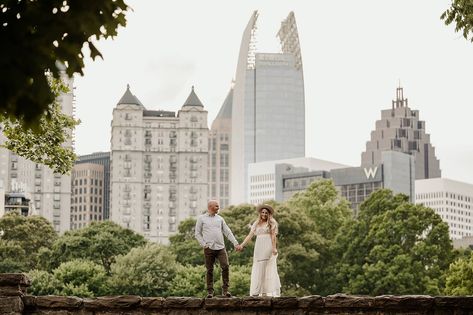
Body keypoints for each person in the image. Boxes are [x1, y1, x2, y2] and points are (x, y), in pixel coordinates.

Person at [195, 200, 242, 298]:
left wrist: (235, 243)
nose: (218, 208)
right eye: (216, 206)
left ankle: (225, 290)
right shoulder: (201, 219)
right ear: (210, 207)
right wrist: (204, 244)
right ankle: (210, 292)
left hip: (221, 247)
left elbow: (227, 232)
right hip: (209, 248)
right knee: (209, 270)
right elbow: (197, 234)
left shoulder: (220, 219)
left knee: (225, 266)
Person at [240, 204, 281, 297]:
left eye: (266, 213)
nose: (264, 214)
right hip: (258, 246)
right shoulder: (256, 223)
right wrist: (242, 245)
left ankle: (259, 291)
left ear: (269, 214)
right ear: (260, 213)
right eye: (262, 212)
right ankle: (262, 291)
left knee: (263, 267)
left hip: (268, 246)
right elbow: (250, 235)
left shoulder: (272, 223)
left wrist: (274, 248)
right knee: (258, 268)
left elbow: (273, 237)